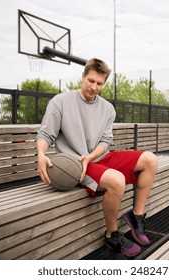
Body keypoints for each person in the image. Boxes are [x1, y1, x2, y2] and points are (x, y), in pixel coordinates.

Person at [36, 58, 158, 257]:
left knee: (150, 159)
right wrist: (41, 154)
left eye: (99, 83)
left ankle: (136, 217)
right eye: (90, 81)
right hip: (75, 164)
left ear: (104, 84)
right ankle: (112, 234)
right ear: (83, 77)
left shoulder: (108, 109)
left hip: (95, 158)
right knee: (117, 181)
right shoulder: (60, 102)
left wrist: (91, 156)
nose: (94, 87)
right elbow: (45, 135)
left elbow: (106, 140)